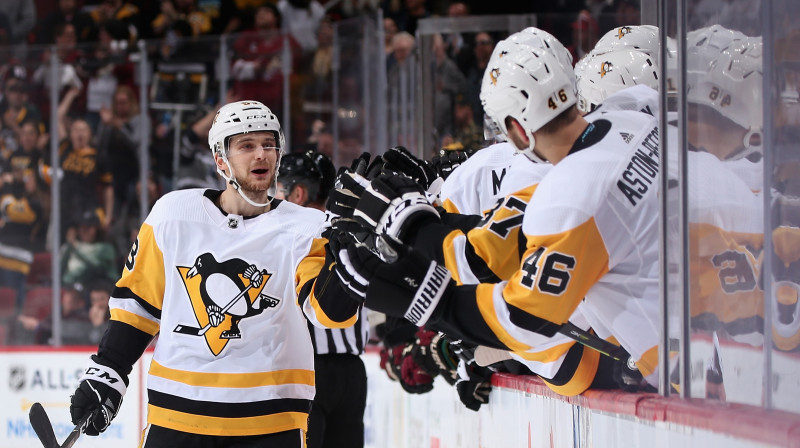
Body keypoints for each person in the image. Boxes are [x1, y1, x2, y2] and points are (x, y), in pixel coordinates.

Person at [327, 28, 663, 391]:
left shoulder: (564, 194)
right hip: (704, 316)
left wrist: (423, 282)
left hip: (668, 357)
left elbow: (506, 291)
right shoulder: (634, 116)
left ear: (516, 129)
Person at [67, 100, 329, 446]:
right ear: (221, 159)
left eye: (269, 144)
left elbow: (330, 313)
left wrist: (354, 261)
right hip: (176, 419)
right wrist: (109, 370)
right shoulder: (172, 214)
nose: (261, 155)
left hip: (270, 424)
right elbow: (138, 306)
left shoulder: (308, 227)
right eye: (246, 146)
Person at [277, 151, 369, 448]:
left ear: (298, 193)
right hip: (352, 372)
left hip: (307, 371)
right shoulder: (353, 227)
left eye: (280, 190)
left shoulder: (292, 233)